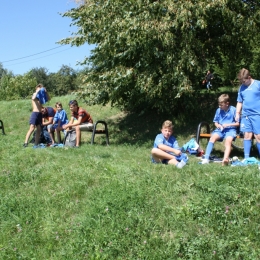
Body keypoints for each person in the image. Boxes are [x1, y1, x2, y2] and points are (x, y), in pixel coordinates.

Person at [201, 94, 239, 166]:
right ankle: (206, 158)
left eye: (221, 105)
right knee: (212, 138)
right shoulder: (218, 110)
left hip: (230, 130)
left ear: (227, 103)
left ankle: (225, 159)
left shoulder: (234, 110)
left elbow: (237, 124)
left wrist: (228, 125)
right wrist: (218, 125)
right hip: (220, 130)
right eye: (219, 105)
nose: (219, 106)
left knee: (228, 142)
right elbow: (215, 122)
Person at [236, 68, 260, 159]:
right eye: (241, 81)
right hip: (246, 116)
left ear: (249, 77)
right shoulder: (242, 88)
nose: (243, 83)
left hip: (257, 115)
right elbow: (239, 101)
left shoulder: (258, 84)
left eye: (244, 81)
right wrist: (238, 113)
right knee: (247, 136)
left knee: (258, 136)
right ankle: (246, 159)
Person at [23, 84, 50, 148]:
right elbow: (33, 98)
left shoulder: (40, 97)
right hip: (35, 113)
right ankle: (25, 142)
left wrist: (46, 92)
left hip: (40, 114)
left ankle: (36, 144)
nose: (40, 90)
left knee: (39, 129)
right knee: (32, 128)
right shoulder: (34, 95)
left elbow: (48, 99)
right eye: (38, 88)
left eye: (40, 88)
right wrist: (37, 91)